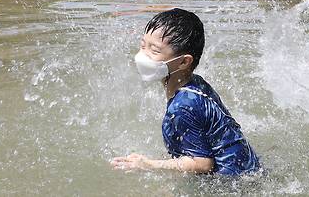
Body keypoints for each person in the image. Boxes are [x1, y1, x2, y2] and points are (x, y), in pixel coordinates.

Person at [111, 9, 261, 176]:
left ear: (183, 62)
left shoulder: (183, 105)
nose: (142, 55)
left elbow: (204, 164)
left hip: (232, 184)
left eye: (154, 50)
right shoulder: (195, 83)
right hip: (248, 169)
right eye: (143, 45)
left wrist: (149, 164)